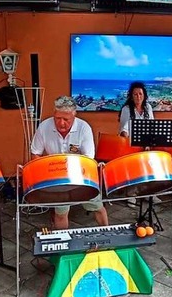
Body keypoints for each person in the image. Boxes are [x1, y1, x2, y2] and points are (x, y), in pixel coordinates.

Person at [30, 96, 109, 229]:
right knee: (60, 213)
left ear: (74, 115)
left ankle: (107, 233)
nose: (61, 123)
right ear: (54, 113)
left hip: (81, 175)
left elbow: (88, 158)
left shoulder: (84, 128)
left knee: (97, 206)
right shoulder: (44, 127)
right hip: (56, 176)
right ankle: (64, 244)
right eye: (57, 118)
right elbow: (35, 153)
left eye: (66, 119)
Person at [118, 82, 159, 207]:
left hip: (146, 144)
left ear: (144, 95)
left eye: (140, 94)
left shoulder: (148, 107)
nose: (138, 96)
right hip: (131, 144)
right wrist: (131, 140)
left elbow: (152, 126)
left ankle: (149, 194)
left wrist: (149, 142)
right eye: (135, 94)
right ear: (131, 96)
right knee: (133, 170)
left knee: (149, 169)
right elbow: (124, 130)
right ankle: (131, 195)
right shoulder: (126, 109)